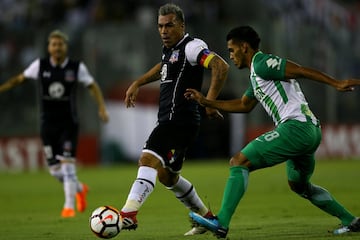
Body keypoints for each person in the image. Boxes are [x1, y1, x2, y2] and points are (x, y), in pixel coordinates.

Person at [186, 25, 360, 238]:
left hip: (296, 127)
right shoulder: (255, 75)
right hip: (310, 130)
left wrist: (336, 83)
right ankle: (351, 221)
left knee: (239, 162)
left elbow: (301, 70)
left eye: (232, 50)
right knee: (299, 185)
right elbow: (244, 105)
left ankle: (221, 222)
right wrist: (208, 102)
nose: (230, 55)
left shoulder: (261, 63)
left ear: (244, 47)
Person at [121, 3, 229, 236]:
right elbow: (164, 66)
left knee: (147, 159)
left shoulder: (192, 47)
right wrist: (138, 82)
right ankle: (207, 219)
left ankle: (128, 214)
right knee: (167, 176)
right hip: (176, 122)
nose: (164, 31)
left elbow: (220, 66)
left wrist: (209, 102)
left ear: (182, 25)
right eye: (160, 26)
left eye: (169, 25)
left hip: (178, 121)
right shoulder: (170, 50)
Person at [0, 30, 109, 218]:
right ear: (49, 47)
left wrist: (101, 107)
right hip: (47, 124)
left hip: (69, 123)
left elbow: (92, 85)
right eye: (54, 44)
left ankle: (68, 207)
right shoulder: (40, 65)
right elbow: (19, 79)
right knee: (55, 171)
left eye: (60, 44)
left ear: (66, 47)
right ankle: (80, 189)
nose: (57, 48)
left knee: (67, 165)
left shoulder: (76, 67)